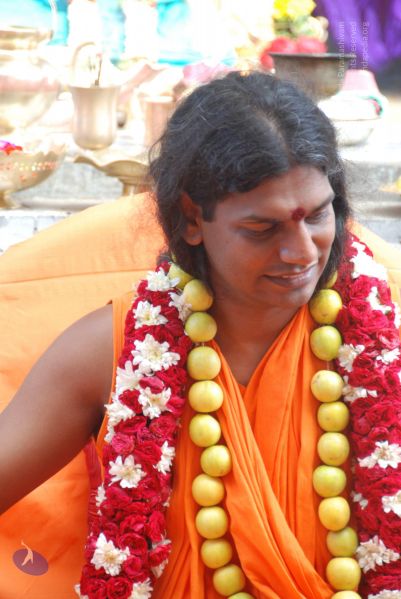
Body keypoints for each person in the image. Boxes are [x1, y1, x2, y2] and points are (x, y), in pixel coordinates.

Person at [0, 71, 401, 598]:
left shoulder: (382, 344)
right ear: (192, 219)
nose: (302, 252)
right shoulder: (111, 350)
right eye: (263, 228)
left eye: (317, 216)